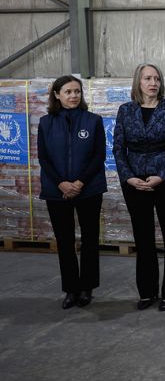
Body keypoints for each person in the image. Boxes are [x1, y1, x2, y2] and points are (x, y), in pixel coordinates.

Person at [113, 63, 165, 312]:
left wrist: (163, 176)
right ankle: (147, 292)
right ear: (138, 82)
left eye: (156, 78)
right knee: (143, 239)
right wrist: (128, 177)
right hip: (134, 182)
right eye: (147, 78)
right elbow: (118, 148)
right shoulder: (125, 111)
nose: (153, 83)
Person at [38, 75, 107, 309]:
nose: (73, 96)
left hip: (89, 189)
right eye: (68, 92)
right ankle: (71, 289)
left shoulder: (93, 121)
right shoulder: (46, 123)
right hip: (56, 191)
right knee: (65, 241)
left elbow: (99, 156)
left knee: (89, 240)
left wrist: (79, 182)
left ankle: (87, 288)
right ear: (57, 95)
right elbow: (44, 158)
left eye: (77, 91)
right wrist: (61, 184)